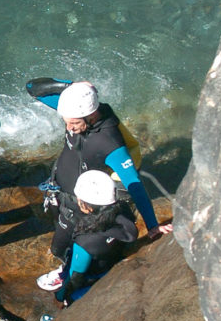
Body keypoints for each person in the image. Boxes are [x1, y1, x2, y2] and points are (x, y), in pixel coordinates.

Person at [28, 79, 172, 291]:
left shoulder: (110, 143)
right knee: (59, 243)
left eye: (74, 123)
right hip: (63, 193)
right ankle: (68, 266)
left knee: (68, 244)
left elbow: (134, 184)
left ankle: (70, 274)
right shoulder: (76, 110)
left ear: (91, 115)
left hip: (83, 202)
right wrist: (71, 87)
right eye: (66, 122)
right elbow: (32, 89)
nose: (70, 129)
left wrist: (152, 226)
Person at [50, 170, 139, 307]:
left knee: (70, 295)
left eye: (80, 199)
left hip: (95, 277)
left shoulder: (86, 241)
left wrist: (60, 296)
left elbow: (75, 278)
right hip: (114, 264)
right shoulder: (124, 212)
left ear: (88, 206)